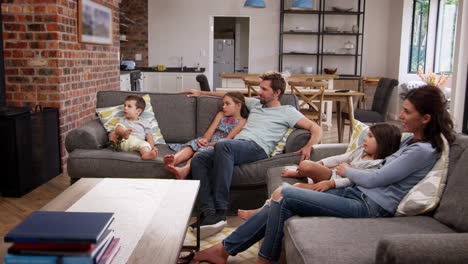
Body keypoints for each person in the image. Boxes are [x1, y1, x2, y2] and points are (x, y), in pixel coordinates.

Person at [193, 85, 455, 264]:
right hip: (356, 193)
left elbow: (377, 178)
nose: (400, 115)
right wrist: (337, 177)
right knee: (282, 202)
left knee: (285, 195)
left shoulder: (423, 150)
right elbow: (377, 164)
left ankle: (243, 254)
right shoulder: (411, 141)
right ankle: (229, 252)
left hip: (369, 205)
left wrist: (346, 171)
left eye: (407, 111)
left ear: (426, 118)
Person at [180, 72, 322, 237]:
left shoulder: (287, 111)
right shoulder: (255, 104)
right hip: (236, 146)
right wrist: (202, 93)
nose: (259, 92)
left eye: (264, 89)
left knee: (223, 145)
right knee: (199, 159)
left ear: (276, 93)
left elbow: (316, 128)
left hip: (257, 148)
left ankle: (220, 212)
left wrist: (308, 146)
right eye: (259, 88)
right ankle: (208, 212)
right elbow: (230, 96)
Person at [238, 123, 402, 220]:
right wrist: (321, 163)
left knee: (293, 190)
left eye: (371, 137)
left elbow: (353, 181)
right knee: (308, 165)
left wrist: (331, 182)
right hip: (333, 175)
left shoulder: (376, 164)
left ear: (383, 143)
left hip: (339, 185)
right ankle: (300, 175)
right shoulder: (361, 151)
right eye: (367, 135)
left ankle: (260, 212)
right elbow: (342, 157)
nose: (365, 139)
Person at [164, 92, 248, 180]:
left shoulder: (242, 121)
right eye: (223, 104)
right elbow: (210, 131)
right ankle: (173, 160)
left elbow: (227, 140)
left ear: (238, 105)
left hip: (219, 146)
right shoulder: (221, 114)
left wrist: (208, 145)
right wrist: (204, 140)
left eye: (227, 104)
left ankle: (185, 169)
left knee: (199, 153)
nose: (223, 106)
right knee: (192, 145)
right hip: (208, 142)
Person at [108, 95, 158, 160]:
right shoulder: (123, 120)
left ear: (138, 111)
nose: (125, 108)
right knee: (119, 127)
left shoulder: (145, 123)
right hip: (124, 141)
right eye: (124, 106)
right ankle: (124, 133)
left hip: (137, 143)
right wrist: (113, 135)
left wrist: (151, 147)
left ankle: (146, 154)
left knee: (145, 145)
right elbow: (115, 132)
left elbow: (149, 137)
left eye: (129, 106)